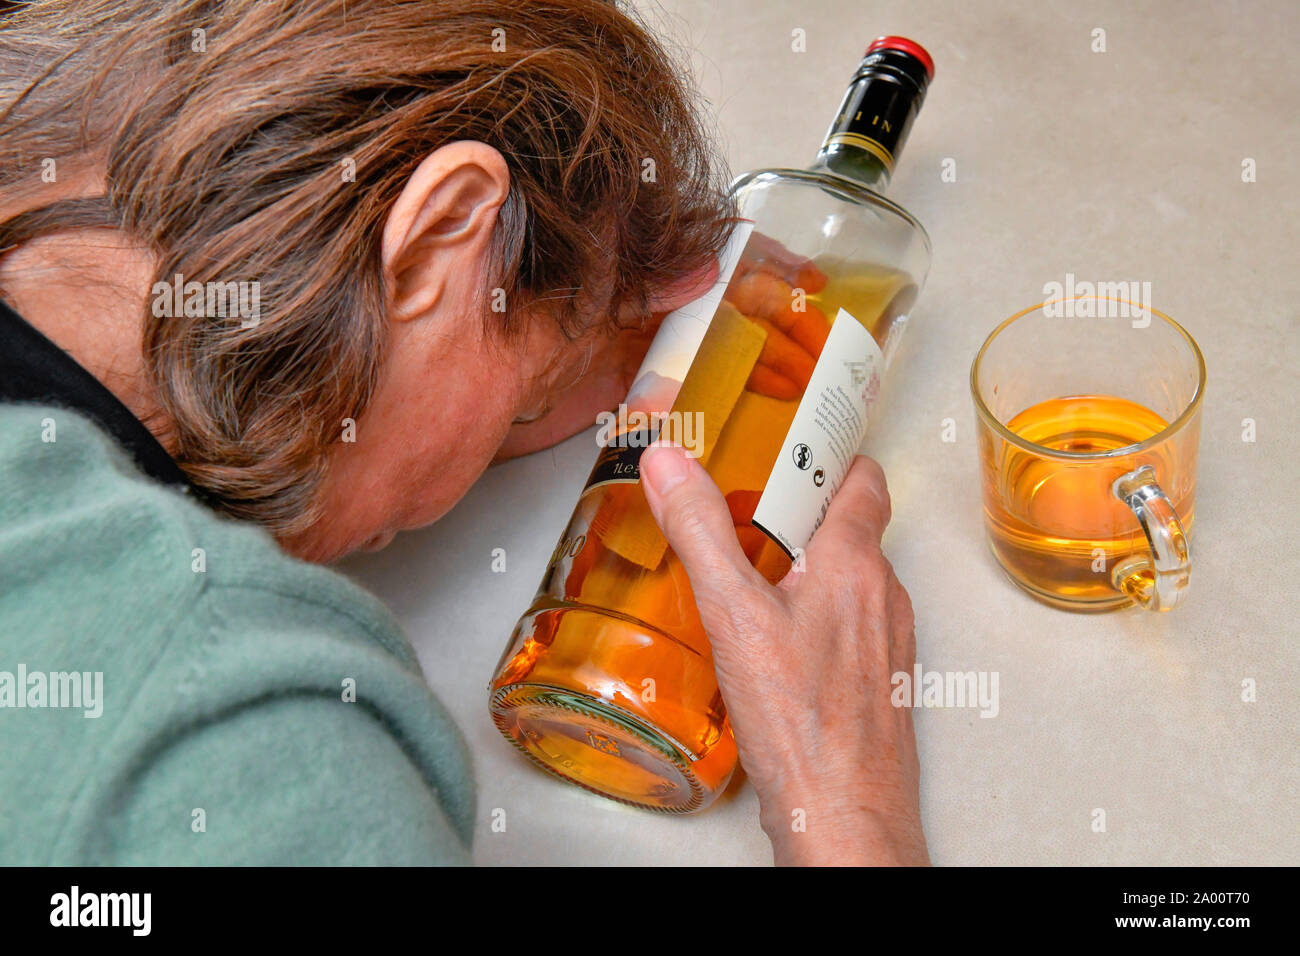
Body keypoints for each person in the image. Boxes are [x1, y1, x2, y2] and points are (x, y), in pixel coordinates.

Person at [0, 0, 926, 865]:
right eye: (530, 401)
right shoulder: (257, 748)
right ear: (443, 230)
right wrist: (848, 809)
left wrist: (555, 351)